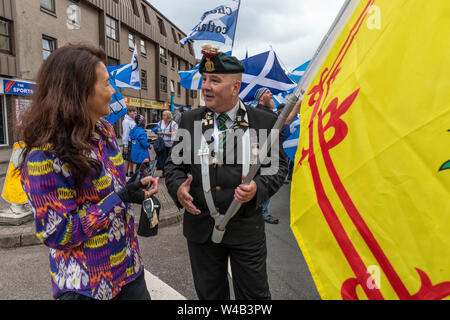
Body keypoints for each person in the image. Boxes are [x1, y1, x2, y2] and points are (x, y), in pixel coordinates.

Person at [17, 44, 159, 300]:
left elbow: (110, 190)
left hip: (129, 270)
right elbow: (58, 232)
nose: (113, 91)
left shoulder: (104, 131)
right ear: (79, 91)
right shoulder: (45, 155)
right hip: (88, 286)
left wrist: (133, 190)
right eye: (106, 84)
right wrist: (119, 198)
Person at [164, 45, 288, 300]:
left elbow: (278, 167)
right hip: (201, 229)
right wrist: (178, 187)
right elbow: (174, 166)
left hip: (245, 229)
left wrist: (258, 189)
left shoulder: (263, 121)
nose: (205, 86)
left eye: (215, 80)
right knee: (210, 296)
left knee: (254, 297)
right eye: (205, 79)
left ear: (235, 87)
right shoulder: (190, 120)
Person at [253, 87, 281, 224]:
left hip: (266, 153)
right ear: (261, 97)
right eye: (268, 92)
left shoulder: (268, 112)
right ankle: (262, 212)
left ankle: (261, 210)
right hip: (261, 155)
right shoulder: (259, 113)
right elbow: (283, 124)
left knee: (264, 181)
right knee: (264, 181)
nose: (271, 94)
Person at [122, 106, 137, 177]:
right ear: (129, 112)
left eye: (135, 111)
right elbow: (126, 133)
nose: (135, 113)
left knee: (132, 158)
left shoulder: (133, 120)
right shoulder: (126, 121)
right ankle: (125, 173)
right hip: (128, 142)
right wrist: (125, 146)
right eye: (133, 111)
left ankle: (131, 172)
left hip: (133, 142)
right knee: (127, 159)